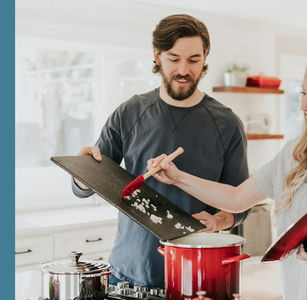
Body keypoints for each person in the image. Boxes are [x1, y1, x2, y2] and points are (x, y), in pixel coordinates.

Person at [149, 46, 307, 300]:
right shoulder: (293, 154)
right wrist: (177, 177)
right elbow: (237, 198)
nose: (303, 104)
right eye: (303, 93)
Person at [71, 14, 251, 288]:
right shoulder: (129, 113)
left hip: (196, 277)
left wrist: (217, 220)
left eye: (193, 60)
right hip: (127, 275)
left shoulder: (227, 124)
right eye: (174, 58)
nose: (183, 70)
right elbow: (88, 183)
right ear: (157, 56)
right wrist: (81, 174)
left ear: (205, 58)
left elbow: (241, 204)